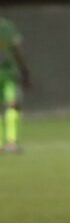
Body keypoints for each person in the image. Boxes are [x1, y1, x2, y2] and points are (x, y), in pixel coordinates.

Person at [0, 17, 30, 153]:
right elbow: (17, 50)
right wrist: (25, 71)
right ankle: (11, 142)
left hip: (8, 73)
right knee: (13, 105)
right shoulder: (6, 27)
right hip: (8, 73)